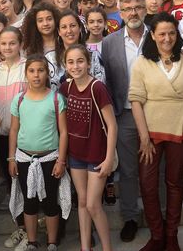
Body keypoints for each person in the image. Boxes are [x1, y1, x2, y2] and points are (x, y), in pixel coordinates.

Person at [129, 12, 183, 251]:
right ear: (153, 36)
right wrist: (144, 137)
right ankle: (157, 236)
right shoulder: (142, 62)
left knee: (175, 183)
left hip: (182, 127)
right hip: (151, 131)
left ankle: (171, 236)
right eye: (162, 34)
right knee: (147, 185)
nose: (167, 38)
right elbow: (136, 100)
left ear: (176, 34)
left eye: (171, 33)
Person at [101, 0, 150, 243]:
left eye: (138, 7)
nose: (133, 12)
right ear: (120, 13)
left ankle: (156, 216)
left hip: (155, 113)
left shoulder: (158, 36)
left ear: (145, 9)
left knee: (156, 168)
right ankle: (131, 217)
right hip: (124, 114)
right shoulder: (109, 43)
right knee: (129, 171)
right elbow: (106, 80)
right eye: (128, 9)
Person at [8, 54, 69, 251]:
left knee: (51, 201)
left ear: (47, 73)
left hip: (50, 158)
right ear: (26, 74)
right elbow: (14, 130)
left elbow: (64, 131)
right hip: (25, 158)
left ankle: (52, 242)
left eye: (41, 71)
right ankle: (32, 241)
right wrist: (11, 158)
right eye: (32, 71)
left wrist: (61, 160)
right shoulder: (19, 100)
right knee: (30, 201)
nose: (36, 75)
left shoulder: (56, 99)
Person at [61, 44, 117, 251]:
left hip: (97, 155)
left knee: (94, 205)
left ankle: (107, 248)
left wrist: (109, 158)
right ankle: (86, 247)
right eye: (70, 62)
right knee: (82, 202)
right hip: (76, 155)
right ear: (65, 65)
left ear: (88, 62)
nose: (75, 66)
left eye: (80, 61)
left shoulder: (98, 88)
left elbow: (112, 125)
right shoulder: (65, 88)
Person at [0, 27, 28, 249]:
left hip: (23, 135)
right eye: (3, 43)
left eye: (12, 43)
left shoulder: (26, 68)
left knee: (23, 182)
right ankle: (20, 227)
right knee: (12, 183)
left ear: (20, 44)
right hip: (2, 135)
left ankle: (28, 229)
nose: (7, 47)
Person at [22, 2, 61, 90]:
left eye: (49, 19)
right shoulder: (30, 48)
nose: (45, 23)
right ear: (35, 24)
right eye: (40, 20)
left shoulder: (64, 42)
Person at [54, 10, 85, 88]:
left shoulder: (93, 56)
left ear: (80, 28)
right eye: (64, 27)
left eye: (73, 26)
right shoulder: (51, 59)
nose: (69, 31)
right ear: (59, 32)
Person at [84, 7, 107, 84]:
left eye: (100, 21)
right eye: (91, 22)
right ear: (86, 25)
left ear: (105, 23)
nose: (96, 25)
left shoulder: (111, 43)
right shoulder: (82, 46)